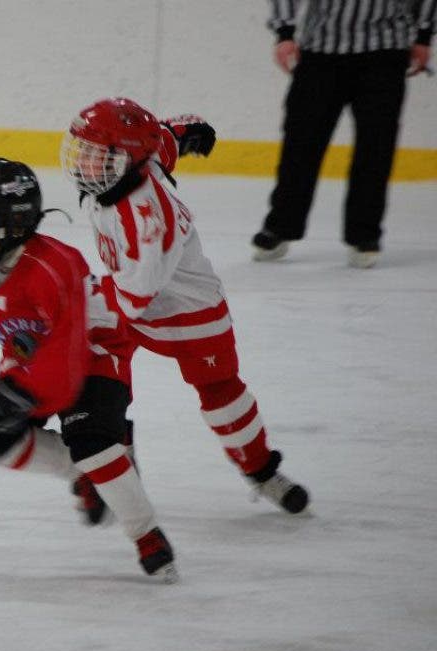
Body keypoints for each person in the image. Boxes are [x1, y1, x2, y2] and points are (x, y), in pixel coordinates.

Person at [0, 157, 177, 582]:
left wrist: (22, 391)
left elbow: (65, 355)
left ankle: (146, 533)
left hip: (95, 353)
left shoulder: (55, 266)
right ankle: (84, 473)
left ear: (14, 224)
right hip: (32, 361)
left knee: (92, 442)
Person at [61, 97, 310, 515]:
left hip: (189, 312)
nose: (83, 163)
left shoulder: (146, 219)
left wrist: (77, 292)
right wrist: (185, 128)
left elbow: (136, 297)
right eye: (82, 151)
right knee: (99, 369)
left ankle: (262, 470)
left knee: (222, 394)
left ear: (124, 161)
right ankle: (115, 461)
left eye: (96, 154)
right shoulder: (130, 165)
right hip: (136, 299)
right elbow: (160, 140)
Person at [252, 0, 435, 268]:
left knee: (376, 146)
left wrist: (423, 35)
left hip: (385, 50)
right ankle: (281, 226)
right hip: (321, 49)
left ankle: (364, 234)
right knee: (300, 143)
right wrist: (285, 33)